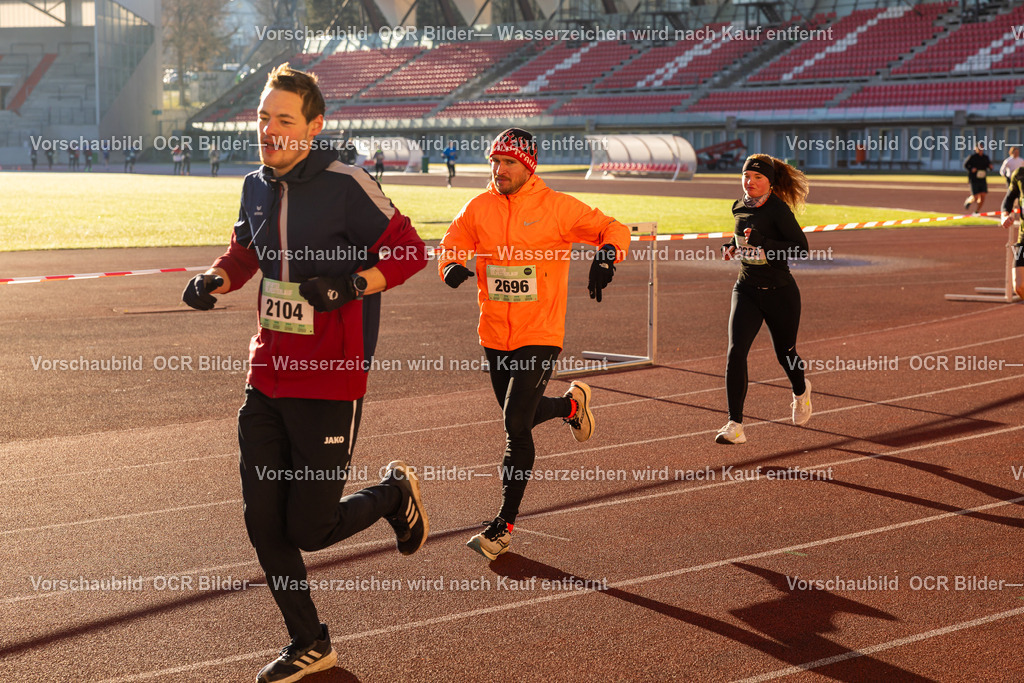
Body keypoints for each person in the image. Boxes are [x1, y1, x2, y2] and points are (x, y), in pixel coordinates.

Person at [181, 63, 428, 683]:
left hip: (329, 380)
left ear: (313, 126)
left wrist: (350, 284)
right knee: (263, 523)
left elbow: (409, 251)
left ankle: (393, 494)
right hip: (266, 375)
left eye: (283, 120)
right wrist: (216, 278)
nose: (269, 130)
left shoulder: (347, 183)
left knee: (310, 529)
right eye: (263, 117)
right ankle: (310, 641)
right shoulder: (255, 185)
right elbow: (245, 250)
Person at [438, 127, 630, 560]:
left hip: (540, 333)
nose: (499, 169)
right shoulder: (478, 206)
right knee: (517, 415)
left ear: (528, 165)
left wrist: (606, 256)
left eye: (508, 162)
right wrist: (450, 265)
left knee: (514, 424)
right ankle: (570, 406)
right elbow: (452, 243)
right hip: (494, 333)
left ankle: (502, 526)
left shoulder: (557, 207)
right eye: (494, 161)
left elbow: (612, 228)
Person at [716, 154, 812, 445]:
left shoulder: (778, 210)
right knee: (735, 353)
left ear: (770, 182)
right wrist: (731, 247)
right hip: (746, 289)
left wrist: (765, 244)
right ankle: (735, 424)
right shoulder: (738, 206)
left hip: (780, 293)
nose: (751, 182)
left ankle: (800, 390)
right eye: (747, 176)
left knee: (785, 355)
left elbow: (801, 249)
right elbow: (742, 240)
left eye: (758, 177)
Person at [999, 166, 1024, 300]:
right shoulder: (1019, 174)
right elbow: (1008, 199)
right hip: (1023, 237)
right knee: (1019, 286)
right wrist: (1004, 215)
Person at [964, 143, 993, 215]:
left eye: (981, 148)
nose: (980, 150)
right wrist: (971, 169)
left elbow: (989, 166)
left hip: (982, 179)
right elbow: (965, 165)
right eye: (979, 148)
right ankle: (968, 201)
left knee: (983, 196)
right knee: (975, 196)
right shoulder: (972, 157)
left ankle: (976, 211)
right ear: (976, 149)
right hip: (974, 179)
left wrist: (990, 167)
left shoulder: (985, 157)